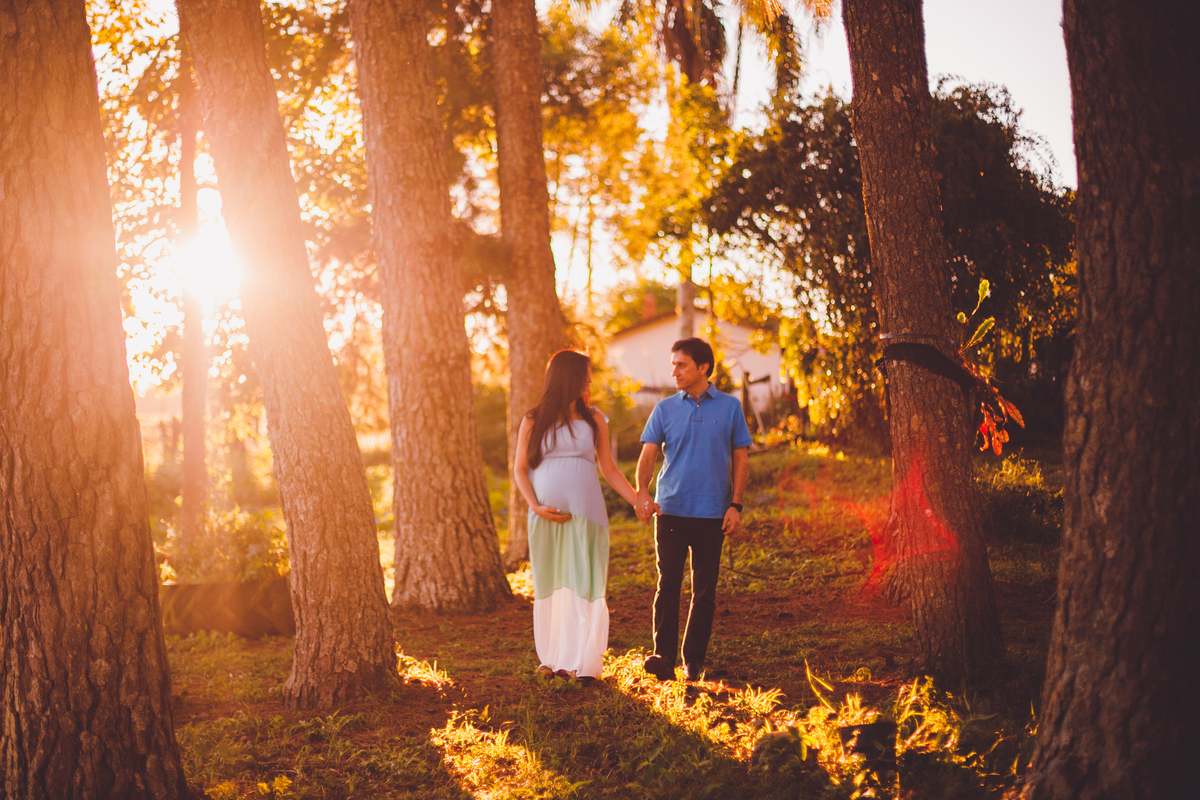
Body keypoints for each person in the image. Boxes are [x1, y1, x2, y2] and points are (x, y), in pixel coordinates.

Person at [513, 350, 640, 683]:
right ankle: (552, 658)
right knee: (550, 585)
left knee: (584, 583)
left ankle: (582, 662)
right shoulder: (533, 419)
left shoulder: (594, 419)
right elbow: (520, 470)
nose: (589, 381)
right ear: (566, 377)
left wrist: (637, 500)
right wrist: (535, 506)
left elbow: (609, 469)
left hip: (587, 515)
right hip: (545, 517)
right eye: (584, 375)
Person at [635, 337, 753, 682]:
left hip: (713, 513)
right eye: (673, 364)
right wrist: (642, 492)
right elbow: (648, 456)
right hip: (670, 510)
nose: (674, 371)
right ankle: (663, 657)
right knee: (668, 584)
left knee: (704, 591)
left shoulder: (730, 407)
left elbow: (741, 458)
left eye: (681, 364)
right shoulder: (664, 409)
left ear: (703, 367)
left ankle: (693, 662)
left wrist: (735, 505)